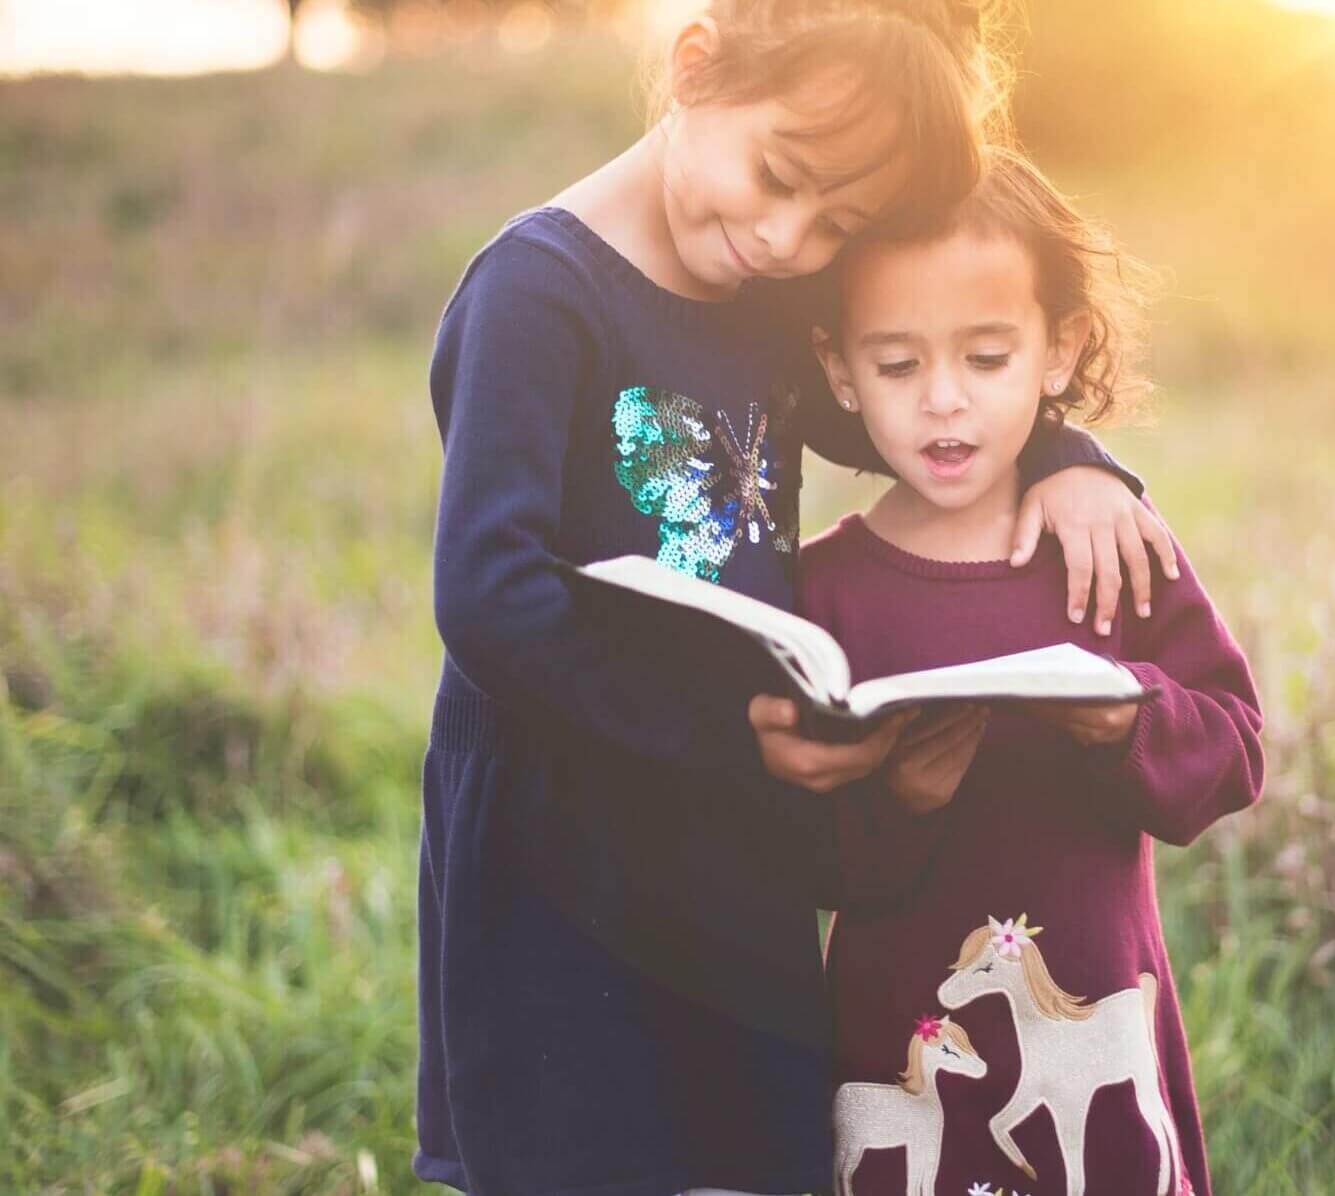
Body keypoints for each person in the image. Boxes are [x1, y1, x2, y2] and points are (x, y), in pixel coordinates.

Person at [418, 5, 1175, 1193]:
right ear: (693, 65)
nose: (785, 236)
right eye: (780, 177)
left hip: (731, 840)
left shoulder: (770, 300)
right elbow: (486, 592)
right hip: (563, 838)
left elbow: (920, 422)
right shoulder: (536, 292)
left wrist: (1071, 462)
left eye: (837, 223)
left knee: (749, 1146)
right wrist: (728, 732)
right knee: (585, 1155)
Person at [803, 148, 1265, 1196]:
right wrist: (898, 800)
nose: (942, 403)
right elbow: (798, 857)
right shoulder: (824, 591)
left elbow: (1234, 747)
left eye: (984, 356)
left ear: (1057, 350)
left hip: (1094, 1017)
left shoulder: (1108, 546)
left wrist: (1127, 721)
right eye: (896, 365)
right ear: (837, 368)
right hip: (899, 1038)